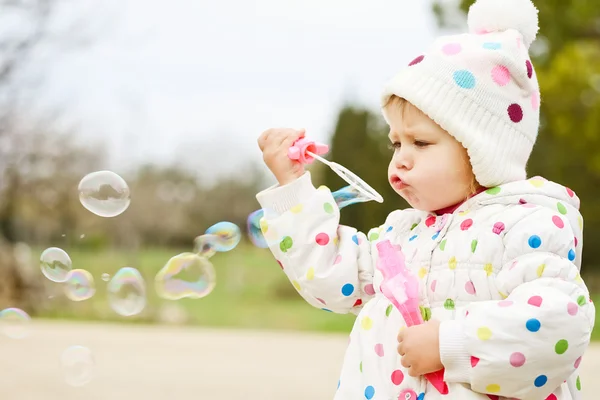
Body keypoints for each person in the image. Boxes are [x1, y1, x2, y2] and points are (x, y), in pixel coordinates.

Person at [255, 0, 596, 398]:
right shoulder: (400, 236)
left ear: (480, 151)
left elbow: (558, 325)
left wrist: (451, 345)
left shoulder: (528, 226)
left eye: (420, 142)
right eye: (396, 143)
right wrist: (293, 187)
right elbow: (330, 274)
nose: (401, 158)